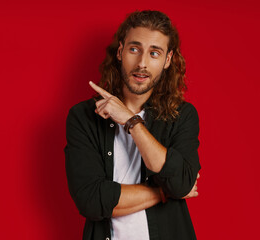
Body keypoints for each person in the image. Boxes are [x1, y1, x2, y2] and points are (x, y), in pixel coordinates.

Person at [64, 10, 201, 240]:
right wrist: (164, 192)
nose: (142, 63)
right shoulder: (84, 116)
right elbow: (92, 201)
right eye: (134, 49)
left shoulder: (182, 115)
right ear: (120, 51)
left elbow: (180, 182)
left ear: (167, 60)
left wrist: (131, 120)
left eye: (154, 53)